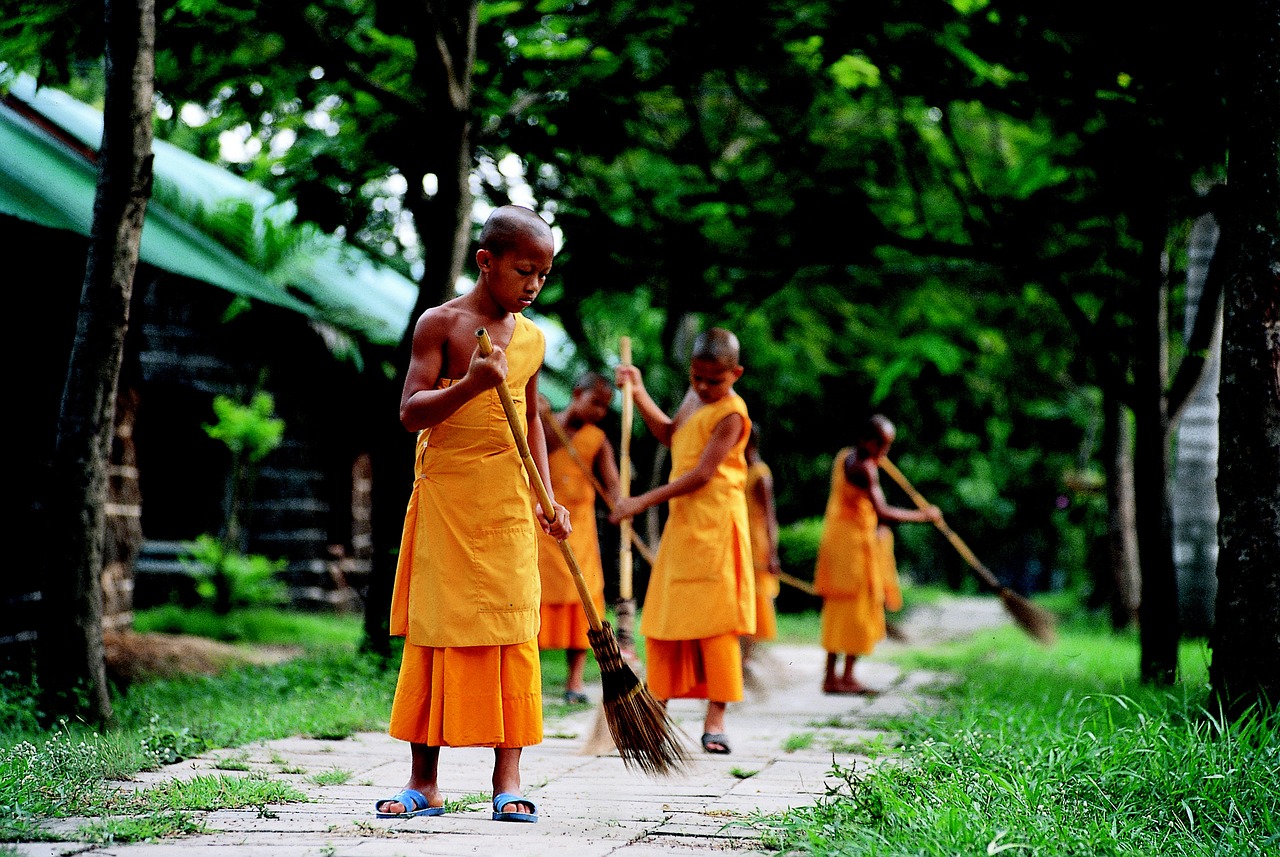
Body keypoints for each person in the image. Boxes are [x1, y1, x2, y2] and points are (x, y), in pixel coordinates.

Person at [377, 204, 571, 824]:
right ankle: (423, 781)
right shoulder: (442, 324)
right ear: (486, 262)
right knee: (437, 630)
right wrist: (470, 384)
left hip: (509, 505)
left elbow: (531, 420)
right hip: (447, 501)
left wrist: (547, 497)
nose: (534, 285)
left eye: (543, 273)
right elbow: (411, 412)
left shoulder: (534, 339)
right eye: (524, 270)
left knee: (513, 631)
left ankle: (507, 780)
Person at [608, 327, 755, 755]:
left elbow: (702, 474)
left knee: (716, 624)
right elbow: (671, 434)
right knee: (667, 617)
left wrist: (639, 502)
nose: (705, 387)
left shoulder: (732, 413)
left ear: (736, 374)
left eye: (716, 380)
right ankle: (656, 711)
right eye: (698, 378)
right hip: (683, 525)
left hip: (717, 525)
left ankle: (715, 720)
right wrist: (636, 392)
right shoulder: (695, 398)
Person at [814, 414, 939, 695]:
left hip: (842, 544)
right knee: (854, 612)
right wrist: (923, 516)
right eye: (880, 445)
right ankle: (841, 677)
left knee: (845, 611)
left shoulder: (845, 456)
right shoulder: (863, 467)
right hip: (853, 549)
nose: (885, 452)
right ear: (866, 441)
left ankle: (836, 677)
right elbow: (881, 511)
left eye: (888, 446)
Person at [536, 373, 621, 705]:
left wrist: (619, 505)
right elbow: (534, 451)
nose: (599, 412)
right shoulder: (543, 424)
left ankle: (574, 682)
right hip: (542, 524)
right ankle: (533, 678)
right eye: (594, 403)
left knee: (582, 598)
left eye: (605, 407)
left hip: (580, 529)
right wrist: (546, 420)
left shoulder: (598, 439)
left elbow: (611, 481)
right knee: (535, 598)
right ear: (576, 393)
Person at [741, 423, 782, 683]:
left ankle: (748, 657)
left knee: (756, 602)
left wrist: (773, 554)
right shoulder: (738, 471)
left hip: (757, 547)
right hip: (740, 541)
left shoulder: (760, 474)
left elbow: (769, 517)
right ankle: (743, 658)